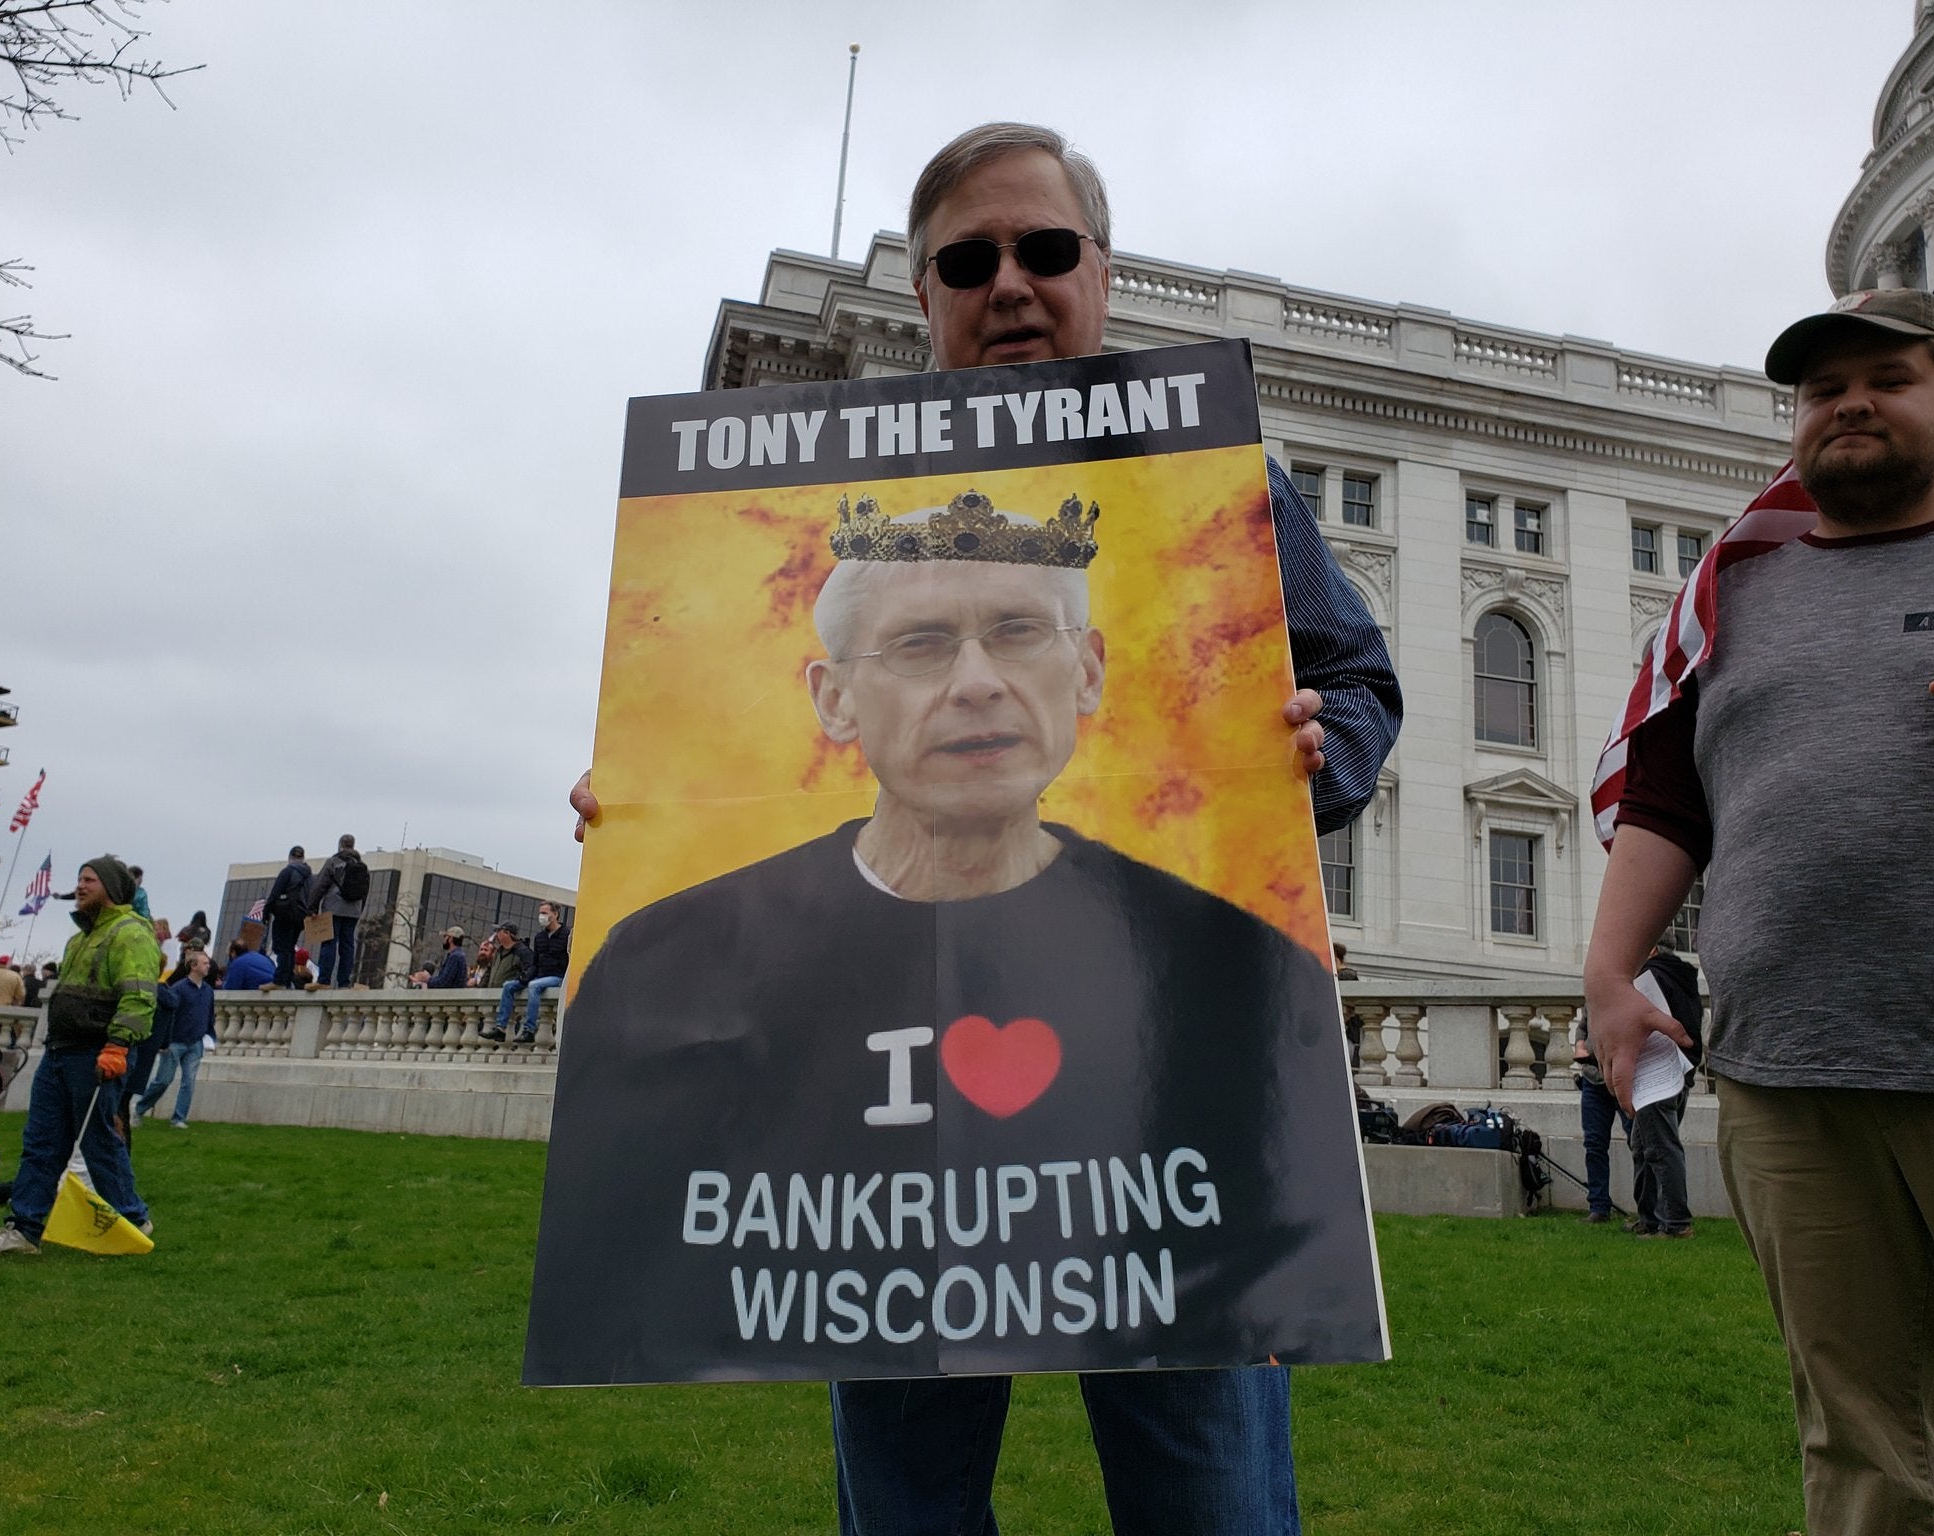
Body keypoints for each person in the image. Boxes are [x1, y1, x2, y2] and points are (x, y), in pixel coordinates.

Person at [558, 121, 1403, 1536]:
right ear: (926, 302)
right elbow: (732, 739)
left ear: (1102, 273)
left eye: (1044, 249)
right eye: (970, 260)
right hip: (877, 1107)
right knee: (906, 1501)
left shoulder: (1219, 487)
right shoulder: (823, 496)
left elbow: (1359, 682)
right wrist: (648, 815)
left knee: (1207, 1491)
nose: (1011, 283)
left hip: (1163, 1088)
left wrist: (1320, 753)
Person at [1584, 287, 1934, 1534]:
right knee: (1855, 1439)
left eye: (1884, 379)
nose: (1847, 405)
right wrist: (1611, 976)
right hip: (1790, 1074)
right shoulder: (1740, 589)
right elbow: (1667, 799)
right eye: (1820, 388)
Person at [0, 856, 158, 1255]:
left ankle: (133, 1219)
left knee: (99, 1141)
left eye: (89, 880)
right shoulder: (79, 937)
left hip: (97, 1054)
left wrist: (118, 1046)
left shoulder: (131, 934)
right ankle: (24, 1229)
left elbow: (139, 997)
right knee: (41, 1142)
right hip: (60, 1052)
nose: (80, 886)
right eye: (79, 879)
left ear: (112, 888)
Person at [1625, 944, 1702, 1239]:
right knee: (1644, 1146)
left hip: (1656, 1075)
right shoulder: (1681, 977)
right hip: (1679, 1070)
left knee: (1660, 1149)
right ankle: (1651, 1219)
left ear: (1652, 949)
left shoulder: (1648, 979)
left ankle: (1676, 1223)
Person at [132, 949, 214, 1129]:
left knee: (189, 1082)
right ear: (193, 966)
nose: (209, 966)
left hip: (195, 1042)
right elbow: (170, 1016)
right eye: (205, 963)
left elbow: (209, 1016)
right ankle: (138, 1109)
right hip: (175, 1041)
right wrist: (165, 1040)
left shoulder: (208, 990)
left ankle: (178, 1118)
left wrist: (209, 1036)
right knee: (163, 1080)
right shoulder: (179, 988)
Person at [1570, 1024, 1630, 1226]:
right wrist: (1580, 1046)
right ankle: (1598, 1207)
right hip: (1592, 1078)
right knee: (1594, 1145)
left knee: (1639, 1144)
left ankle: (1651, 1208)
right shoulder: (1593, 995)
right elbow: (1583, 1027)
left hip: (1625, 1076)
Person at [307, 835, 367, 989]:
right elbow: (364, 892)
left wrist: (312, 907)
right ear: (353, 846)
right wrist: (359, 911)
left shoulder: (333, 862)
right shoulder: (361, 865)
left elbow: (319, 886)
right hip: (353, 911)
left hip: (333, 908)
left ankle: (324, 980)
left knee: (329, 943)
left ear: (340, 845)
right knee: (347, 946)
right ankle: (344, 982)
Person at [511, 901, 568, 1044]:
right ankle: (500, 1027)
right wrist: (524, 977)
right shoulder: (539, 937)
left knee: (534, 986)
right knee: (509, 986)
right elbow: (535, 963)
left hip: (559, 976)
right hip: (541, 975)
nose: (541, 916)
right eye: (540, 913)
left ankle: (529, 1029)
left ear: (555, 915)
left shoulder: (567, 934)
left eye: (544, 913)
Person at [263, 846, 312, 987]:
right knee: (290, 947)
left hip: (285, 915)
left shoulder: (287, 872)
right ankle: (288, 977)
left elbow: (274, 893)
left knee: (282, 948)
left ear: (290, 857)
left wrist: (266, 913)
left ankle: (280, 980)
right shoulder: (309, 876)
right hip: (301, 917)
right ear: (303, 858)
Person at [479, 923, 534, 1041]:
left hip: (510, 1001)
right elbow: (489, 971)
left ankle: (501, 1028)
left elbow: (529, 970)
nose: (496, 935)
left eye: (499, 931)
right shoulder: (499, 952)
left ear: (507, 933)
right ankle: (499, 1029)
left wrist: (519, 980)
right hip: (493, 1000)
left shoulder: (522, 951)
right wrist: (481, 988)